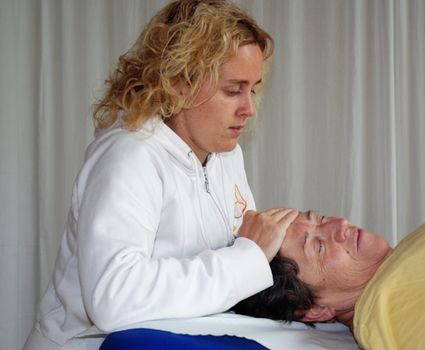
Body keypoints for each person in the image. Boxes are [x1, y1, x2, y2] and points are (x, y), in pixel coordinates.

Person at [23, 1, 299, 349]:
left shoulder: (226, 155)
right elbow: (114, 297)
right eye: (233, 90)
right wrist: (247, 258)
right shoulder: (129, 156)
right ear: (179, 82)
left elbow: (234, 273)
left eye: (253, 89)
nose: (248, 109)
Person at [232, 198, 425, 349]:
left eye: (318, 218)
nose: (339, 224)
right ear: (315, 310)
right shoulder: (390, 311)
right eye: (318, 247)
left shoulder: (395, 276)